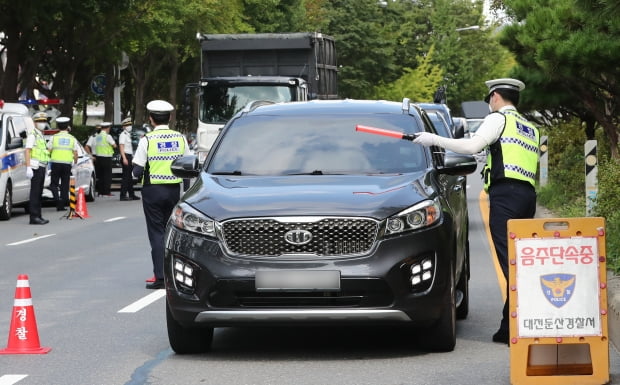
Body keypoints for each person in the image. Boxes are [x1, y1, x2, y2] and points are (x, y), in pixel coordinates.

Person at [413, 78, 540, 345]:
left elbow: (472, 148)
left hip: (506, 197)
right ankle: (509, 326)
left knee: (511, 265)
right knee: (519, 262)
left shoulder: (498, 120)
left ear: (495, 96)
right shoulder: (529, 127)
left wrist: (431, 139)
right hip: (527, 197)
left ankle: (524, 325)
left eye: (488, 99)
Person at [133, 100, 191, 289]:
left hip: (152, 191)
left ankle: (160, 277)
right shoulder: (180, 138)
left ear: (151, 119)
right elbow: (189, 164)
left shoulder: (147, 140)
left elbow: (137, 170)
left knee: (156, 233)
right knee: (172, 232)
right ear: (170, 117)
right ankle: (176, 275)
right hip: (174, 190)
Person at [25, 112, 52, 225]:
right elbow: (27, 150)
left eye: (44, 121)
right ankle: (34, 217)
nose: (42, 123)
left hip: (41, 166)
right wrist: (28, 167)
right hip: (35, 167)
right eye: (40, 121)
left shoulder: (40, 135)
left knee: (39, 192)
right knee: (35, 192)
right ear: (35, 122)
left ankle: (38, 215)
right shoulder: (33, 135)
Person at [48, 117, 79, 211]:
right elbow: (75, 154)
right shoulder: (72, 138)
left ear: (58, 126)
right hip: (67, 164)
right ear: (67, 126)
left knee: (54, 184)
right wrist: (75, 163)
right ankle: (61, 204)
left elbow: (48, 150)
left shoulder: (53, 138)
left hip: (56, 163)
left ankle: (57, 199)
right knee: (65, 184)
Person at [118, 117, 140, 201]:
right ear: (123, 126)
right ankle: (122, 195)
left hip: (129, 156)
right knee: (126, 177)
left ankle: (132, 194)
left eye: (130, 124)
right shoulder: (123, 135)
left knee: (129, 177)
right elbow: (121, 147)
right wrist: (124, 158)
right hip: (125, 156)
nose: (129, 126)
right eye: (127, 125)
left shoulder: (127, 134)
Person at [94, 121, 116, 196]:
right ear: (107, 128)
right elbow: (114, 145)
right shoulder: (107, 136)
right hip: (106, 158)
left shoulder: (98, 136)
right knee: (107, 175)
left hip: (98, 157)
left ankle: (100, 192)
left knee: (101, 176)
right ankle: (106, 192)